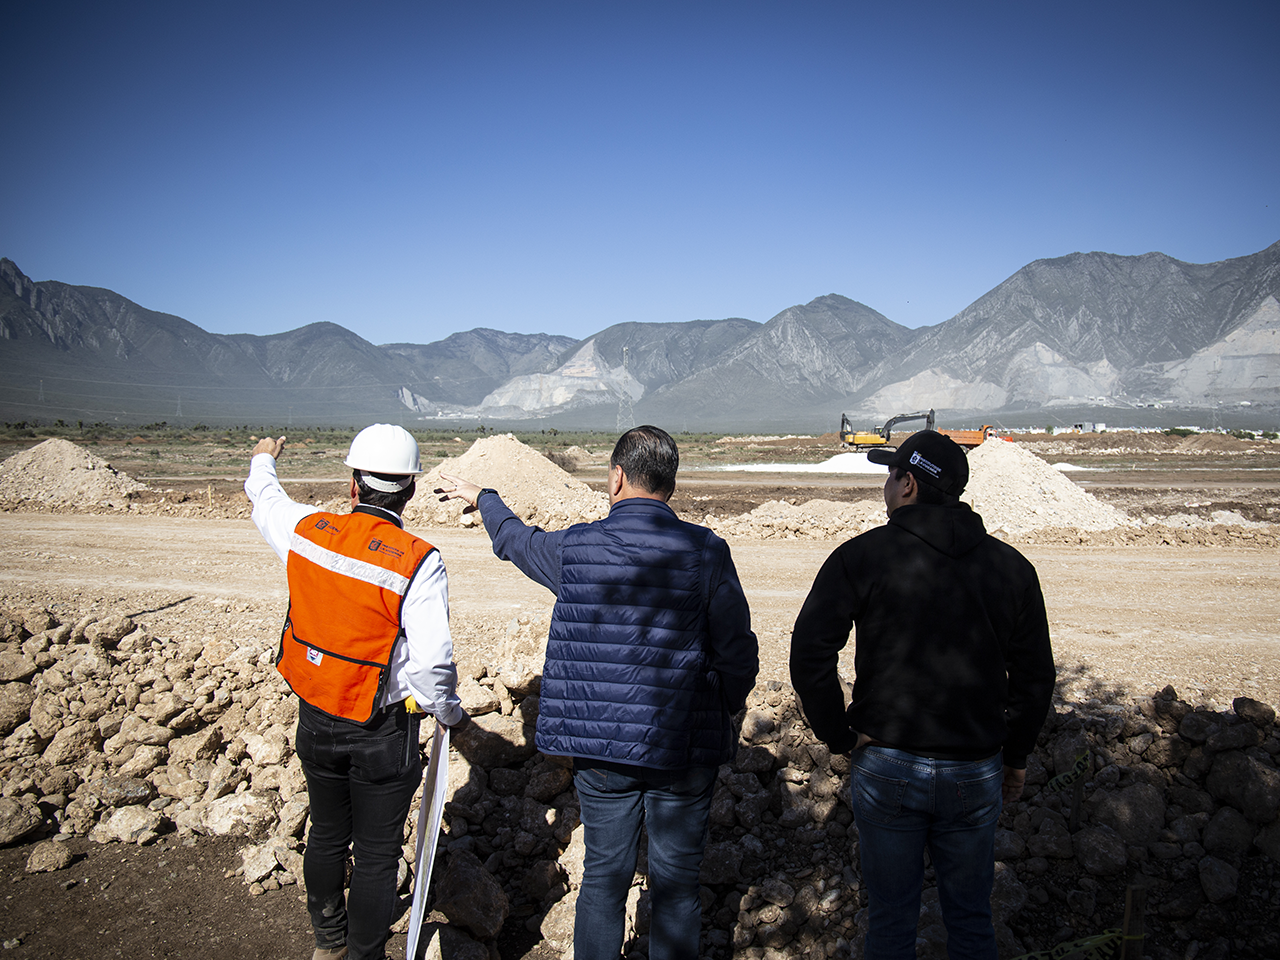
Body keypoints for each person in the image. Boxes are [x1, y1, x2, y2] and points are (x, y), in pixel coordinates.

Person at [435, 425, 758, 960]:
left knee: (605, 877)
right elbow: (737, 651)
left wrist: (485, 500)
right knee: (677, 887)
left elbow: (518, 540)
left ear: (615, 478)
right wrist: (722, 706)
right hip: (682, 747)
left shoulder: (577, 547)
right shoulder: (705, 550)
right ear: (670, 484)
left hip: (600, 751)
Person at [789, 430, 1056, 960]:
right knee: (972, 919)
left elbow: (809, 654)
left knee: (889, 922)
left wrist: (839, 734)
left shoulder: (861, 556)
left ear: (907, 483)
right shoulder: (1012, 568)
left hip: (887, 763)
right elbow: (1035, 677)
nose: (886, 487)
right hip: (975, 768)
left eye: (891, 475)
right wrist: (1016, 756)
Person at [245, 424, 465, 960]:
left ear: (352, 485)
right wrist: (447, 711)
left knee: (325, 833)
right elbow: (435, 663)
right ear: (410, 490)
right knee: (375, 854)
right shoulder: (418, 560)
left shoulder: (305, 529)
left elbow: (265, 497)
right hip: (382, 730)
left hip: (315, 717)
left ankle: (329, 942)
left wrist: (262, 458)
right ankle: (365, 955)